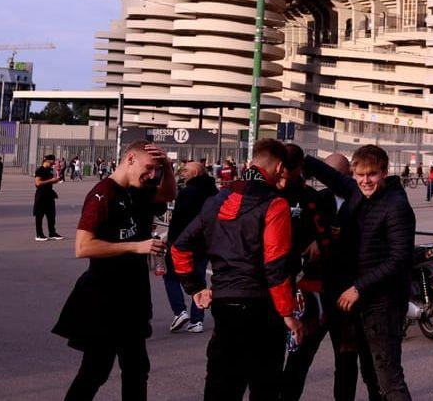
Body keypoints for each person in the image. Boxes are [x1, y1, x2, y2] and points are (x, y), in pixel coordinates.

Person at [172, 139, 301, 401]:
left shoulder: (216, 201)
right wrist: (288, 314)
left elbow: (179, 247)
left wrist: (195, 288)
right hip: (261, 308)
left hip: (225, 304)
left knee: (221, 384)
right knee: (264, 386)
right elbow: (275, 266)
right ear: (278, 167)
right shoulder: (275, 205)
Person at [53, 142, 176, 401]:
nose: (153, 174)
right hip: (104, 298)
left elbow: (167, 195)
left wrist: (167, 165)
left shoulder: (139, 191)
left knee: (137, 368)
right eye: (149, 167)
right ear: (130, 159)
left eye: (157, 169)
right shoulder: (102, 194)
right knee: (95, 370)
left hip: (133, 297)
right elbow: (83, 246)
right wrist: (136, 246)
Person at [303, 145, 416, 401]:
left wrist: (359, 287)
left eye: (372, 175)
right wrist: (300, 158)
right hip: (363, 301)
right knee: (371, 371)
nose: (366, 181)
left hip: (383, 302)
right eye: (360, 175)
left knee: (388, 378)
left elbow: (399, 259)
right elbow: (331, 175)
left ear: (384, 173)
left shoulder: (395, 205)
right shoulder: (358, 191)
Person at [283, 153, 362, 401]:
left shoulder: (361, 201)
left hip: (346, 294)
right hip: (315, 291)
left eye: (336, 174)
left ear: (347, 174)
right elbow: (298, 237)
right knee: (299, 356)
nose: (330, 179)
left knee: (347, 359)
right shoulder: (316, 200)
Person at [164, 160, 218, 335]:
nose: (183, 173)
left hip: (184, 242)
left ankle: (180, 311)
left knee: (171, 276)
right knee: (200, 279)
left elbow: (178, 220)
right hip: (204, 244)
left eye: (186, 170)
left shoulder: (187, 193)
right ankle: (197, 320)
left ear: (195, 173)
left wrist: (171, 240)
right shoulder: (213, 192)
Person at [34, 155, 63, 241]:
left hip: (49, 195)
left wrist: (55, 179)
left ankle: (52, 233)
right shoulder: (40, 170)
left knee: (51, 215)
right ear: (47, 160)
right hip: (41, 195)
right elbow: (38, 183)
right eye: (53, 161)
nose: (53, 163)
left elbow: (53, 179)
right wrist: (51, 181)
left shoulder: (50, 170)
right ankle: (39, 234)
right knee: (39, 215)